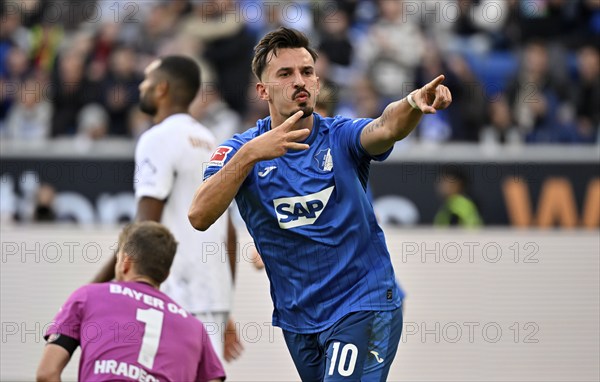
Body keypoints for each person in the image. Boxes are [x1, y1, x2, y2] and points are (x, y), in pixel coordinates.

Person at [188, 27, 452, 380]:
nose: (300, 80)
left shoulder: (341, 136)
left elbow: (385, 127)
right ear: (262, 91)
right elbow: (199, 215)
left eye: (307, 72)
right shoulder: (241, 150)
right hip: (299, 319)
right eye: (285, 73)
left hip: (362, 303)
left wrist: (410, 104)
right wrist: (251, 154)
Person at [92, 55, 242, 363]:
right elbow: (227, 231)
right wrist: (225, 306)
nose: (141, 87)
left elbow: (146, 226)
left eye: (146, 81)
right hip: (211, 296)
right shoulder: (208, 140)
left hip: (171, 295)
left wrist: (96, 287)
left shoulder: (156, 139)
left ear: (161, 89)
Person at [36, 221, 225, 382]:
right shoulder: (195, 328)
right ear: (166, 275)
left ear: (125, 262)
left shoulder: (87, 296)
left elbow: (47, 373)